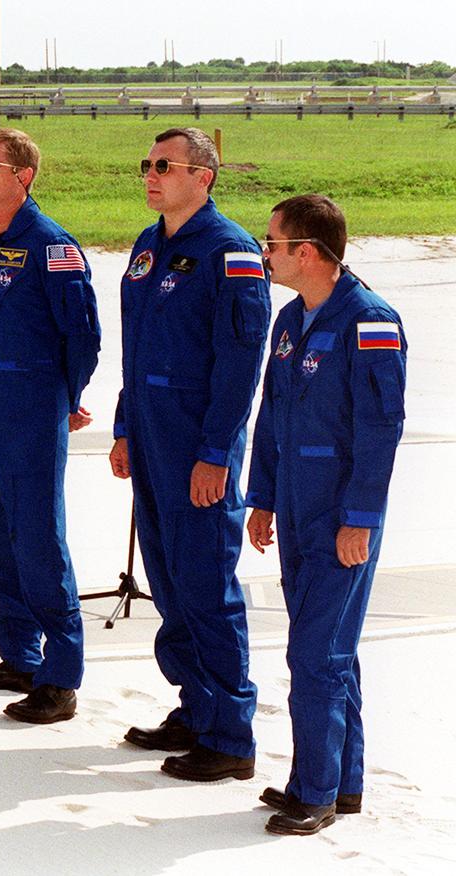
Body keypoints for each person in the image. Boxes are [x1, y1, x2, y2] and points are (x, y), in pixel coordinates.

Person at [108, 127, 270, 780]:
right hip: (151, 438)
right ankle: (196, 707)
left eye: (165, 165)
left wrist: (215, 454)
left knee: (205, 588)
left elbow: (240, 365)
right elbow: (137, 346)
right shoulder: (150, 246)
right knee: (171, 586)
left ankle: (232, 737)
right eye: (146, 163)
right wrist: (124, 426)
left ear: (203, 176)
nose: (151, 174)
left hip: (198, 445)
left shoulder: (230, 252)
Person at [245, 195, 406, 836]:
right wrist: (261, 498)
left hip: (342, 514)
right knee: (331, 653)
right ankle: (344, 783)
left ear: (305, 252)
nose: (265, 254)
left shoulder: (370, 321)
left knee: (315, 655)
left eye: (272, 244)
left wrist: (360, 520)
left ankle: (315, 792)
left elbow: (381, 429)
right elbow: (272, 415)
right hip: (296, 507)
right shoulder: (289, 321)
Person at [0, 129, 101, 724]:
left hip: (32, 404)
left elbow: (82, 335)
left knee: (37, 538)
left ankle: (60, 676)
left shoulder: (53, 247)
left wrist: (69, 395)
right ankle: (18, 655)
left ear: (25, 176)